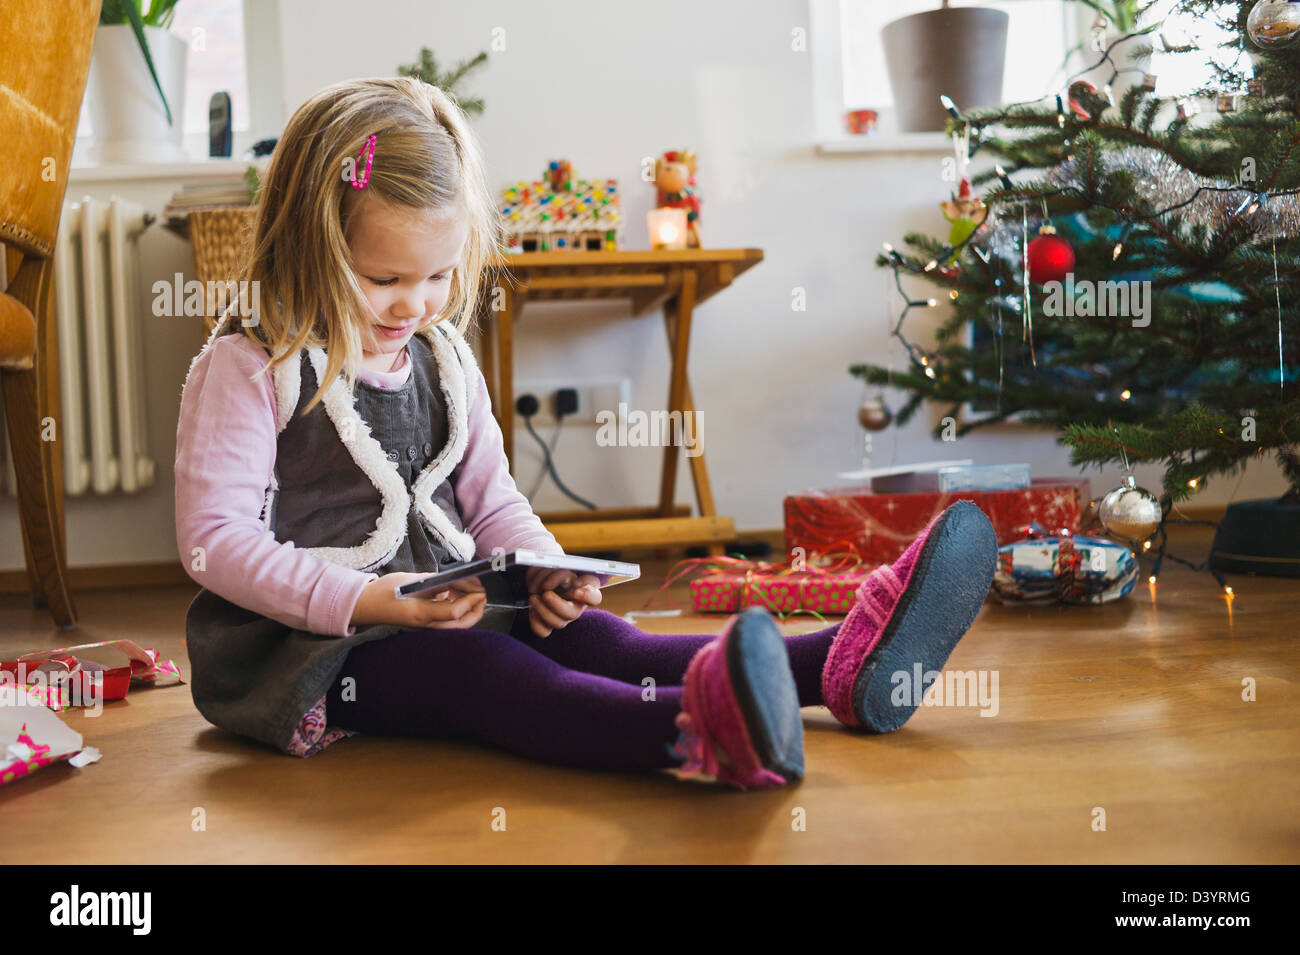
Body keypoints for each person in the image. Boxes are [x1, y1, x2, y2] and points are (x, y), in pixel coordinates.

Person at [175, 77, 997, 790]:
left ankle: (834, 666)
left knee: (597, 635)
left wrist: (544, 572)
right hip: (316, 650)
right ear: (308, 243)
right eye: (383, 279)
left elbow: (490, 498)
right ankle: (694, 731)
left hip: (446, 604)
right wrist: (367, 599)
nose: (414, 304)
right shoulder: (252, 365)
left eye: (437, 276)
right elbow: (213, 539)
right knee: (490, 674)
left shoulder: (442, 357)